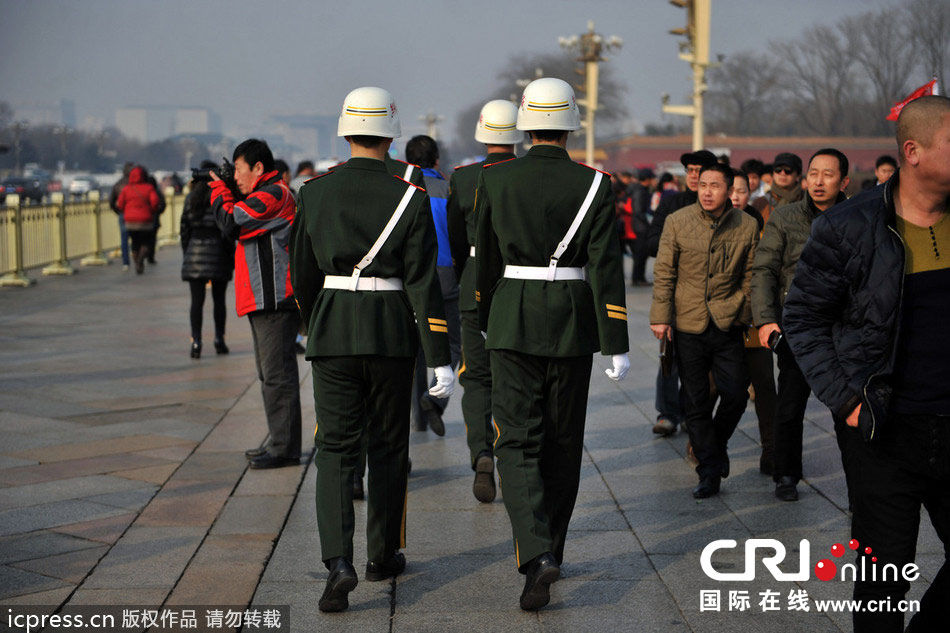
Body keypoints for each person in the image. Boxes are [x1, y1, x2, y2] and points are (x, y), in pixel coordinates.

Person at [782, 95, 950, 633]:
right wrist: (847, 401)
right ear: (913, 151)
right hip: (882, 426)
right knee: (884, 577)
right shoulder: (850, 226)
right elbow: (803, 317)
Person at [290, 86, 453, 613]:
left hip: (333, 329)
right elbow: (423, 284)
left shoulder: (314, 192)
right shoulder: (410, 195)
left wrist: (316, 321)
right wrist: (439, 355)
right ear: (391, 135)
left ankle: (338, 562)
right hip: (390, 332)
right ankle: (382, 555)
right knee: (387, 446)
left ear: (346, 132)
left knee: (336, 450)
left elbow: (302, 275)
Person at [476, 78, 630, 611]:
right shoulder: (595, 184)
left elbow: (485, 260)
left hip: (512, 317)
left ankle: (536, 552)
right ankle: (553, 549)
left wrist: (484, 316)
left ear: (524, 124)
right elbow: (606, 267)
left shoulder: (495, 179)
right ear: (571, 125)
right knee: (563, 441)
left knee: (516, 441)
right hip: (571, 320)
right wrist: (616, 340)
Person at [650, 163, 759, 498]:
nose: (708, 191)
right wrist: (661, 317)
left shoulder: (747, 224)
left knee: (736, 394)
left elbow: (751, 276)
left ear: (729, 190)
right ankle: (709, 470)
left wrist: (741, 311)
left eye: (716, 185)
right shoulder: (677, 221)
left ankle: (715, 444)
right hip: (687, 323)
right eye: (703, 185)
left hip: (728, 323)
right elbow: (665, 272)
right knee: (695, 402)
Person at [751, 148, 850, 501]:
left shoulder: (857, 217)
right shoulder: (785, 216)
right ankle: (786, 473)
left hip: (844, 327)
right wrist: (765, 320)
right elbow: (764, 269)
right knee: (790, 405)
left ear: (844, 181)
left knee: (848, 408)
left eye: (828, 175)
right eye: (814, 173)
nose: (819, 181)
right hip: (798, 326)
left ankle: (860, 486)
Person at [209, 139, 302, 471]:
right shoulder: (264, 194)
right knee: (270, 375)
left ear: (258, 168)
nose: (235, 177)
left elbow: (232, 221)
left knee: (277, 376)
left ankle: (285, 448)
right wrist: (228, 188)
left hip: (274, 299)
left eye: (238, 170)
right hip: (263, 299)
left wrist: (218, 189)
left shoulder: (274, 194)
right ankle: (280, 441)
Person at [446, 99, 521, 503]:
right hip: (516, 282)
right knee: (514, 374)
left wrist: (467, 275)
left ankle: (482, 453)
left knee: (476, 377)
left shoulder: (463, 178)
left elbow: (457, 240)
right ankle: (511, 455)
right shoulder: (525, 174)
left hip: (474, 281)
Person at [647, 149, 718, 438]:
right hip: (676, 291)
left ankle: (693, 412)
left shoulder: (719, 207)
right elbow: (651, 240)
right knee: (670, 355)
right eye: (690, 170)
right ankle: (667, 413)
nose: (693, 176)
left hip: (711, 295)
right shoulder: (672, 203)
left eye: (699, 171)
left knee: (703, 360)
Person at [730, 170, 776, 475]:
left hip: (754, 320)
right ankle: (705, 446)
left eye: (742, 191)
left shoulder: (762, 226)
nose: (735, 196)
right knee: (718, 389)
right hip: (720, 322)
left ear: (751, 193)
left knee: (764, 386)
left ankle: (772, 451)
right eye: (731, 190)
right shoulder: (709, 225)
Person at [180, 161, 235, 359]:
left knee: (196, 302)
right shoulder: (219, 197)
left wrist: (188, 252)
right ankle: (219, 340)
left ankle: (196, 342)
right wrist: (229, 254)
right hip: (218, 253)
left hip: (194, 253)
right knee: (219, 301)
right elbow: (227, 230)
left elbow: (184, 229)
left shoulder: (190, 199)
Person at [115, 165, 161, 275]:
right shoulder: (149, 188)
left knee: (135, 243)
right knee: (146, 242)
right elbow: (155, 202)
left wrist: (127, 211)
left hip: (130, 222)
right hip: (146, 221)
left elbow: (120, 204)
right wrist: (151, 211)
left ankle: (137, 262)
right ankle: (141, 259)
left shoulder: (126, 189)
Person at [751, 152, 803, 223]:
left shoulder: (807, 201)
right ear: (773, 173)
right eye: (778, 169)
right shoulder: (761, 203)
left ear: (798, 175)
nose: (782, 173)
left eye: (788, 170)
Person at [109, 162, 134, 270]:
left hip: (123, 213)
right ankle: (138, 257)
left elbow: (111, 201)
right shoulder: (136, 183)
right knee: (136, 237)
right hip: (135, 214)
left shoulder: (118, 184)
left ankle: (125, 262)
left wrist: (118, 211)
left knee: (124, 239)